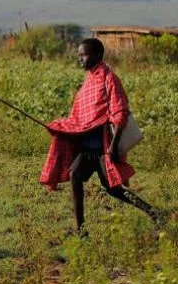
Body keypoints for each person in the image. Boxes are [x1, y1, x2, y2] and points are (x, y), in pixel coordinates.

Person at [40, 38, 158, 234]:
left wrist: (113, 147)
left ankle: (153, 213)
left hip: (103, 147)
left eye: (83, 55)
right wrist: (61, 127)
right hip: (87, 148)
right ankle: (81, 229)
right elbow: (79, 117)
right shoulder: (88, 82)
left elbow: (119, 113)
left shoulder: (109, 78)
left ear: (97, 55)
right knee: (74, 175)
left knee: (113, 189)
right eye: (79, 55)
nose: (80, 59)